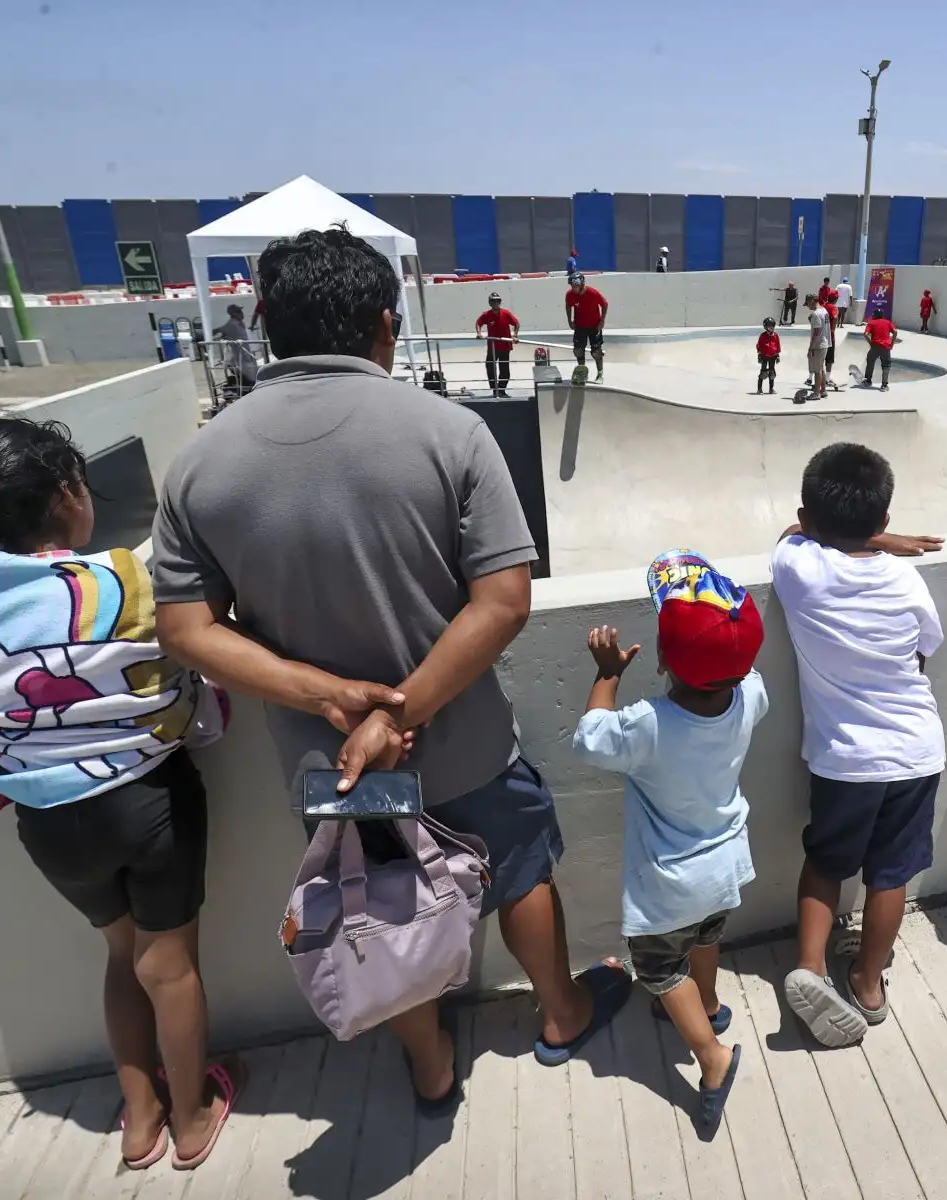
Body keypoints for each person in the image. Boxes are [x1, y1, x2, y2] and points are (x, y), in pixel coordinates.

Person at [152, 228, 630, 1110]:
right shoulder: (452, 433)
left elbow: (184, 629)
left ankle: (431, 1066)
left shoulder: (200, 463)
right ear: (385, 321)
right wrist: (399, 708)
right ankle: (561, 1012)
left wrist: (329, 697)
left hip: (328, 765)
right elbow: (503, 603)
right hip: (467, 742)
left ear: (264, 322)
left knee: (380, 899)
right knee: (520, 867)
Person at [0, 417, 238, 1173]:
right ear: (66, 493)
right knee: (170, 965)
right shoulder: (120, 583)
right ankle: (191, 1119)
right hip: (146, 800)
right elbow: (187, 656)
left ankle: (139, 1120)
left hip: (46, 821)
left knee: (121, 955)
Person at [572, 551, 765, 1129]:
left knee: (658, 968)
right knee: (706, 936)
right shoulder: (750, 695)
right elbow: (745, 672)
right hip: (726, 863)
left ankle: (712, 1056)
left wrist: (607, 678)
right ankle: (707, 1004)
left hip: (669, 883)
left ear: (661, 658)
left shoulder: (650, 725)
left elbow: (590, 740)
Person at [773, 444, 946, 1047]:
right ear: (885, 520)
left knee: (824, 863)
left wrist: (860, 536)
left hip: (846, 759)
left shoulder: (798, 570)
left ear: (809, 512)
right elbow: (927, 647)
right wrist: (885, 545)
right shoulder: (906, 578)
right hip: (917, 750)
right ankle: (869, 984)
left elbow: (791, 534)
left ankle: (811, 969)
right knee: (890, 873)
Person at [475, 291, 521, 397]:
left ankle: (501, 389)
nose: (496, 303)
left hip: (505, 346)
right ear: (490, 303)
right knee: (490, 366)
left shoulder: (506, 313)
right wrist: (479, 333)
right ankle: (495, 389)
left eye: (497, 301)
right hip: (492, 347)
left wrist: (515, 335)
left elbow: (516, 323)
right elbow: (478, 323)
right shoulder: (486, 315)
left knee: (504, 370)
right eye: (493, 301)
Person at [565, 272, 608, 382]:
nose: (573, 289)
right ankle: (582, 373)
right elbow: (568, 306)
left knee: (596, 352)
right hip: (580, 326)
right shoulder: (569, 295)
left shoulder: (592, 293)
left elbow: (605, 304)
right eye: (572, 286)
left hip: (594, 326)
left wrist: (602, 321)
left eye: (576, 286)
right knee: (578, 350)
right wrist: (569, 320)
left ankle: (600, 375)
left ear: (582, 284)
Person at [214, 303, 259, 390]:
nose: (241, 313)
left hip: (246, 356)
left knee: (252, 380)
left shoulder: (240, 323)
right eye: (239, 311)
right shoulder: (231, 324)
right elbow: (220, 331)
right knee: (252, 382)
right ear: (233, 314)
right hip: (240, 360)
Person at [804, 294, 831, 398]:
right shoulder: (824, 310)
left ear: (813, 301)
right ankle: (823, 391)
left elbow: (816, 333)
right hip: (825, 343)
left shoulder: (816, 314)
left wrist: (810, 348)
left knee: (817, 370)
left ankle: (816, 393)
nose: (808, 307)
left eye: (808, 304)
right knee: (821, 368)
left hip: (818, 345)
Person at [862, 310, 896, 391]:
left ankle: (868, 381)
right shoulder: (888, 322)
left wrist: (870, 343)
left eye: (873, 314)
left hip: (875, 346)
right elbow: (895, 332)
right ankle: (884, 385)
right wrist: (892, 344)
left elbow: (865, 334)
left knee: (870, 361)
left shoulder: (871, 323)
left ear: (875, 315)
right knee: (886, 365)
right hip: (886, 347)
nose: (872, 316)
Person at [756, 317, 782, 395]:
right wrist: (759, 355)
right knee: (763, 373)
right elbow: (759, 345)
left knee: (772, 373)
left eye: (773, 326)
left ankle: (771, 389)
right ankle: (759, 389)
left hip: (773, 356)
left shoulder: (775, 335)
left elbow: (778, 345)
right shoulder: (763, 335)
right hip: (764, 356)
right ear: (765, 327)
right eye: (770, 326)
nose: (772, 328)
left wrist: (777, 355)